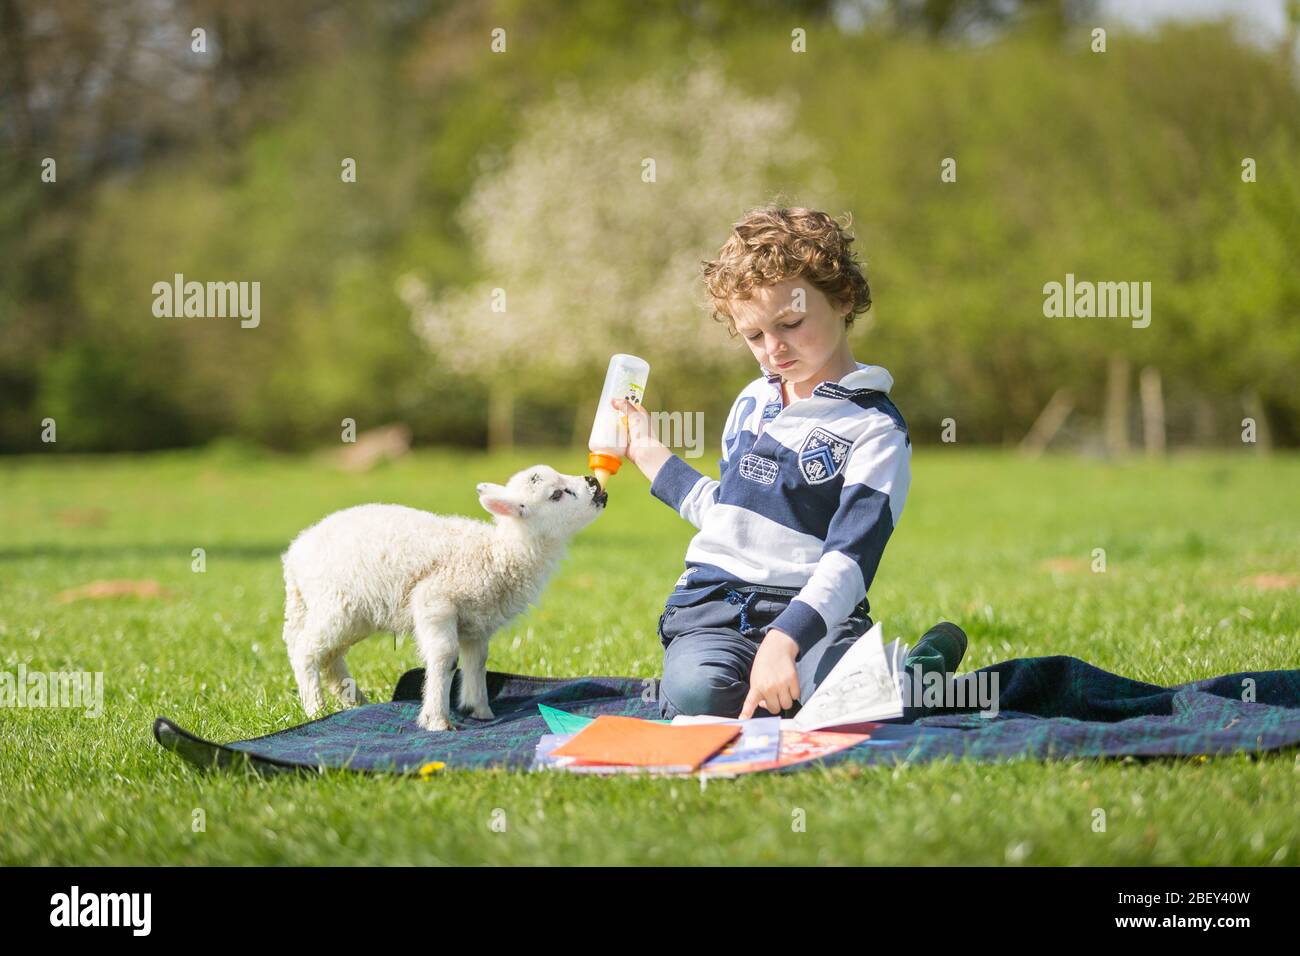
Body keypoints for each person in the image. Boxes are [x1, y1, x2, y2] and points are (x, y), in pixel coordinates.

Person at [613, 205, 965, 721]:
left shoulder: (875, 430)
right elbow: (731, 514)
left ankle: (920, 665)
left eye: (791, 324)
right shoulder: (753, 402)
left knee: (864, 707)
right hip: (716, 608)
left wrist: (784, 641)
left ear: (842, 299)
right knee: (701, 694)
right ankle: (781, 679)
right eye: (755, 336)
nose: (773, 349)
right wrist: (648, 452)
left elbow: (850, 561)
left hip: (811, 614)